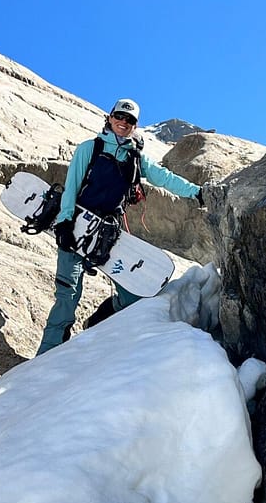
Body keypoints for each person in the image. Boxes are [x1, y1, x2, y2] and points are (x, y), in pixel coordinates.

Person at [36, 98, 204, 354]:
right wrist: (65, 222)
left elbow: (164, 178)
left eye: (130, 120)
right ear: (110, 117)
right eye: (119, 116)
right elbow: (72, 186)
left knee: (132, 297)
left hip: (108, 234)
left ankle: (98, 321)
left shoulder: (136, 159)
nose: (123, 122)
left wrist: (196, 192)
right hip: (75, 227)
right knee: (67, 296)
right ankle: (46, 355)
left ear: (135, 125)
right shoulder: (90, 149)